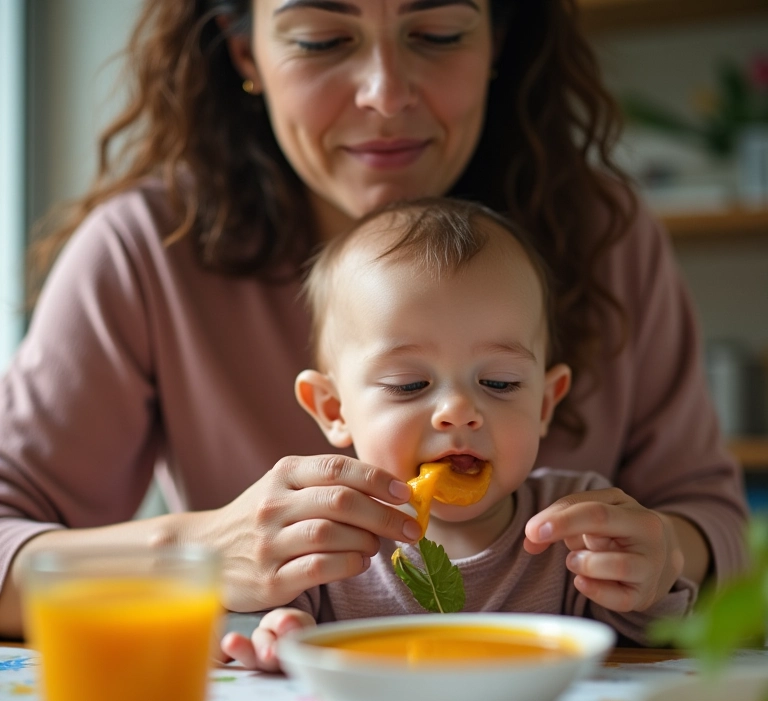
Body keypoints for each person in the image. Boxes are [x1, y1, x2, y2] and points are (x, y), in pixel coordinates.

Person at [0, 0, 747, 640]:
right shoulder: (145, 249)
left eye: (439, 34)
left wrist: (665, 556)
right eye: (323, 40)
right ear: (244, 52)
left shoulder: (604, 232)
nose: (386, 94)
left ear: (497, 42)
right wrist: (192, 552)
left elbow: (717, 528)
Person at [221, 197, 698, 671]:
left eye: (499, 383)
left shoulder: (577, 526)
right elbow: (252, 625)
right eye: (409, 385)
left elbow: (651, 646)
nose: (458, 411)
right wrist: (274, 630)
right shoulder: (324, 532)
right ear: (333, 408)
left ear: (545, 403)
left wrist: (645, 583)